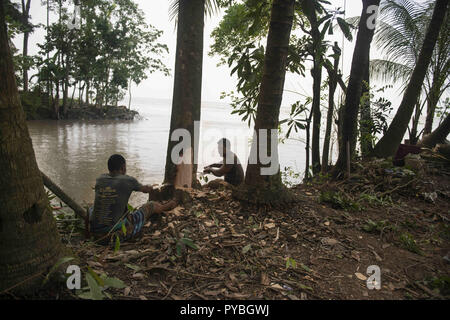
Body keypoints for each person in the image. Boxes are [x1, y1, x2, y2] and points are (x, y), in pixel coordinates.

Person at [89, 154, 181, 244]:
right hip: (113, 237)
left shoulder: (100, 179)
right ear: (123, 168)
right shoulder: (128, 180)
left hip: (95, 235)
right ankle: (170, 204)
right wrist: (151, 187)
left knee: (92, 208)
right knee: (151, 205)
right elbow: (145, 189)